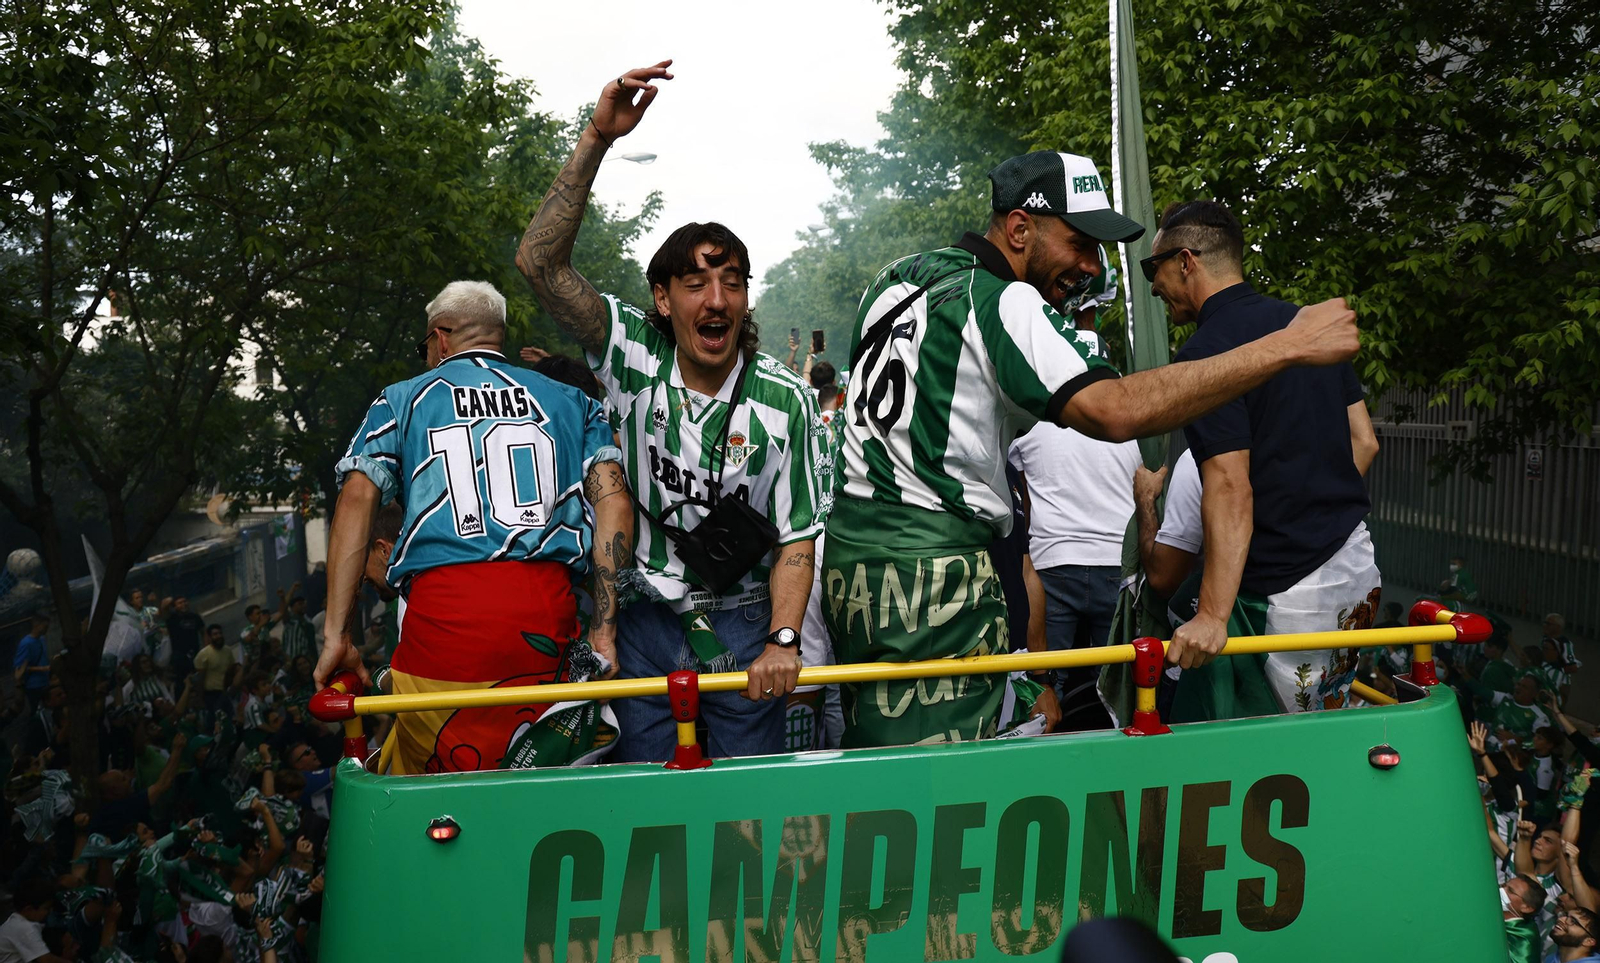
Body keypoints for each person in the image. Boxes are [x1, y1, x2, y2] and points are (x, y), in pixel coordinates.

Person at [824, 152, 1360, 746]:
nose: (1088, 266)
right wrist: (1285, 346)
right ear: (1020, 228)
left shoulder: (898, 277)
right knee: (933, 783)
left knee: (876, 752)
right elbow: (1117, 409)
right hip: (929, 574)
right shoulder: (1005, 300)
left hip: (854, 565)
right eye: (1079, 243)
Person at [516, 62, 827, 762]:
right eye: (696, 283)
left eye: (733, 282)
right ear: (663, 299)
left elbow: (798, 539)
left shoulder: (787, 401)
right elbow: (538, 263)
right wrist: (598, 135)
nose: (716, 300)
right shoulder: (630, 355)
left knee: (748, 808)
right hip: (644, 621)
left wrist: (782, 639)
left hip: (746, 622)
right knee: (649, 804)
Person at [316, 280, 629, 775]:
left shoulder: (400, 401)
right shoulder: (572, 401)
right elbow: (614, 502)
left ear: (440, 339)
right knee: (538, 788)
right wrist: (604, 631)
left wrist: (336, 633)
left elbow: (356, 499)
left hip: (444, 633)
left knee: (429, 795)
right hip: (544, 626)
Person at [1150, 200, 1380, 714]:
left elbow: (1231, 486)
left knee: (1268, 761)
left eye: (1154, 267)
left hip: (1284, 598)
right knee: (1329, 725)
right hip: (1355, 569)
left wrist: (1212, 614)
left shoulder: (1206, 354)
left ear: (1186, 261)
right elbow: (1364, 442)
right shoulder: (1306, 326)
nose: (1152, 286)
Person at [0, 877, 60, 963]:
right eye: (46, 908)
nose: (49, 912)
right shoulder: (24, 927)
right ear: (28, 910)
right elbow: (46, 960)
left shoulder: (15, 922)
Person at [193, 624, 236, 721]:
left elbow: (231, 670)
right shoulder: (203, 655)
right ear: (209, 637)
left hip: (225, 692)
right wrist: (200, 698)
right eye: (215, 634)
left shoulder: (228, 651)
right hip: (211, 695)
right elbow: (200, 679)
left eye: (220, 633)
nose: (219, 636)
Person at [1507, 874, 1553, 963]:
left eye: (1510, 891)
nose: (1501, 890)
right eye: (1504, 885)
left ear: (1526, 907)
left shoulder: (1525, 939)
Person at [11, 612, 51, 710]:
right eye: (45, 626)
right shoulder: (26, 643)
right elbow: (19, 668)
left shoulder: (41, 640)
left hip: (45, 681)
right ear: (36, 625)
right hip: (33, 685)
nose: (47, 629)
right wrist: (42, 669)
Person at [166, 596, 205, 676]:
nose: (183, 604)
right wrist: (170, 600)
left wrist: (206, 650)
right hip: (179, 657)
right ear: (175, 606)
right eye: (180, 603)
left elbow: (204, 633)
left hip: (195, 653)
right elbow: (163, 607)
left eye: (184, 601)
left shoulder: (195, 617)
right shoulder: (172, 619)